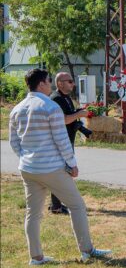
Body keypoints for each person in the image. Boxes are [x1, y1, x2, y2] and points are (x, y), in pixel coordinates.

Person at [8, 68, 112, 265]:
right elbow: (61, 140)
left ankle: (36, 257)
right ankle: (87, 250)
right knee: (77, 206)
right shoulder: (50, 107)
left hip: (28, 168)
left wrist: (25, 157)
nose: (51, 85)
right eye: (49, 81)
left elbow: (14, 142)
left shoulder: (17, 108)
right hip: (52, 167)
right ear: (41, 84)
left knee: (33, 213)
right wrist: (72, 164)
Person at [48, 72, 89, 215]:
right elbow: (64, 119)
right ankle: (56, 206)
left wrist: (80, 112)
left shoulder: (65, 98)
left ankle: (56, 204)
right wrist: (79, 115)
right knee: (62, 172)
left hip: (67, 139)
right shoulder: (56, 98)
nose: (73, 84)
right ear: (60, 83)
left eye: (73, 81)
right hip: (61, 141)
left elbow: (70, 114)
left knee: (63, 172)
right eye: (70, 81)